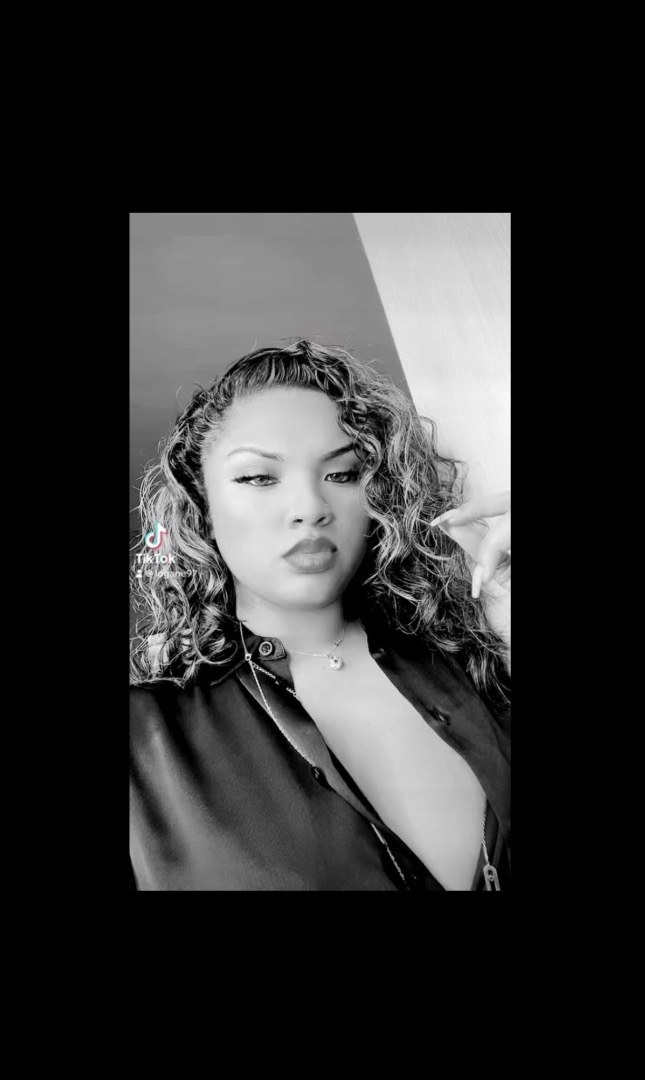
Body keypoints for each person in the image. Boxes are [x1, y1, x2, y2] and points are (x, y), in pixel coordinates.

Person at [129, 339, 510, 891]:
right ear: (202, 505)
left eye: (343, 474)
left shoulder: (478, 666)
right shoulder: (147, 741)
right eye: (258, 477)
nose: (310, 508)